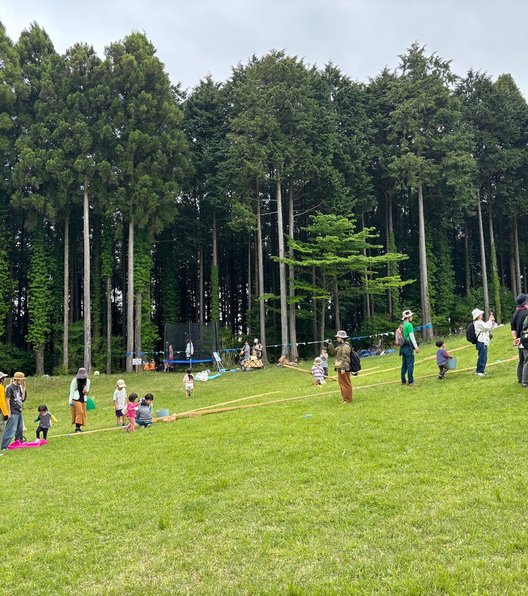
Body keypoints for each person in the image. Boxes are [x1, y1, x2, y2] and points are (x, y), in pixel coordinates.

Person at [1, 372, 27, 449]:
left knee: (20, 430)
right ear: (17, 379)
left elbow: (22, 399)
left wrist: (24, 388)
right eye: (21, 380)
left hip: (19, 411)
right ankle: (3, 446)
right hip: (13, 412)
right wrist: (8, 412)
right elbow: (7, 401)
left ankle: (18, 443)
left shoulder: (18, 387)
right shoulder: (10, 387)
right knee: (10, 430)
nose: (22, 381)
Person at [325, 330, 353, 404]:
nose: (337, 338)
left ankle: (348, 399)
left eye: (338, 337)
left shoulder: (346, 346)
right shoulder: (341, 346)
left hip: (344, 367)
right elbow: (333, 352)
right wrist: (329, 344)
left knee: (346, 383)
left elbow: (345, 357)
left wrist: (343, 368)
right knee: (342, 383)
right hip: (340, 367)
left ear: (341, 338)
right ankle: (345, 399)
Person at [472, 308, 497, 376]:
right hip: (481, 341)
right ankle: (479, 371)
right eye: (480, 314)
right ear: (477, 315)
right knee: (482, 357)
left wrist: (492, 321)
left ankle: (481, 370)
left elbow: (489, 327)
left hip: (484, 341)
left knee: (484, 357)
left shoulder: (481, 322)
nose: (482, 314)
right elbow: (486, 327)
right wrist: (490, 320)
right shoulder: (477, 322)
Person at [510, 293, 528, 386]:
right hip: (525, 339)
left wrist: (515, 339)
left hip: (518, 340)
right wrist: (521, 338)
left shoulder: (515, 313)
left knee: (521, 360)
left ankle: (520, 379)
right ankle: (525, 381)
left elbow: (512, 328)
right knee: (527, 360)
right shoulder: (526, 313)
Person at [400, 310, 419, 386]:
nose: (412, 317)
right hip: (408, 347)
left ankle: (403, 381)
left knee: (404, 364)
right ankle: (411, 382)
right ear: (408, 317)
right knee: (410, 364)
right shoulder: (409, 325)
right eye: (411, 316)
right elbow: (412, 336)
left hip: (402, 347)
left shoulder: (401, 325)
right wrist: (416, 346)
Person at [69, 367, 90, 433]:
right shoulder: (74, 380)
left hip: (83, 398)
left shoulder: (88, 381)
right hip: (75, 398)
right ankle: (77, 428)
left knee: (83, 413)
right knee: (79, 412)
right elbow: (72, 391)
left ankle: (79, 427)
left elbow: (88, 389)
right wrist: (70, 400)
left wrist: (86, 391)